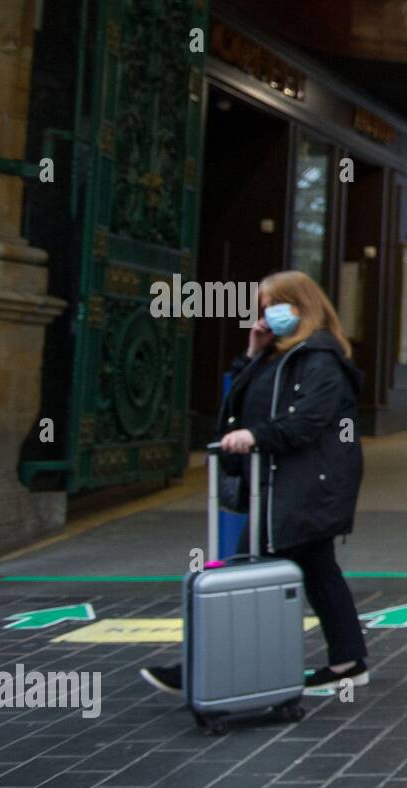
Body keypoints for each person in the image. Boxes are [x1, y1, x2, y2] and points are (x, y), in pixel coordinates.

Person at [141, 270, 369, 695]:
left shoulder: (319, 358)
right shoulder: (278, 355)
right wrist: (251, 353)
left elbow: (307, 421)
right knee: (319, 570)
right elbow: (236, 408)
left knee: (247, 566)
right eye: (262, 307)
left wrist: (257, 437)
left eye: (273, 305)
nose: (266, 315)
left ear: (301, 306)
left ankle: (204, 665)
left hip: (302, 487)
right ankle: (348, 661)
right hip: (282, 484)